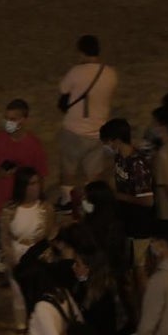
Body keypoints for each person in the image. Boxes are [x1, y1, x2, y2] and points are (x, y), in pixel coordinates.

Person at [0, 99, 49, 298]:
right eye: (6, 118)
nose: (8, 122)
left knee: (20, 252)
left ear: (24, 120)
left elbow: (41, 177)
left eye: (13, 119)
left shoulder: (34, 146)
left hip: (20, 206)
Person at [57, 35, 118, 210]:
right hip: (98, 131)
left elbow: (63, 90)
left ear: (82, 52)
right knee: (94, 173)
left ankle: (67, 201)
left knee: (69, 169)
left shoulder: (76, 72)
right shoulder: (110, 74)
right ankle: (92, 204)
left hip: (74, 130)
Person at [100, 118, 156, 302]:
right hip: (127, 221)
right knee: (132, 271)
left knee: (140, 272)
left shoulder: (137, 164)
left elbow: (147, 201)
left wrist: (119, 197)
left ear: (116, 140)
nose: (106, 146)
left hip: (140, 225)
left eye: (107, 141)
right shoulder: (120, 158)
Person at [0, 167, 57, 331]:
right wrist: (11, 259)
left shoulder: (45, 208)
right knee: (18, 293)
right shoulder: (9, 210)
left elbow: (51, 234)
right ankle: (21, 326)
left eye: (37, 182)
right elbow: (4, 237)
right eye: (31, 183)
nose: (36, 187)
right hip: (17, 254)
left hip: (39, 255)